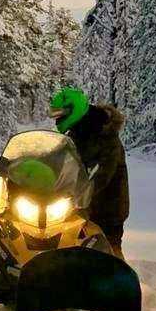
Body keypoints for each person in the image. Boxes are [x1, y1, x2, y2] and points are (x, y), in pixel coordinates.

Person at [49, 87, 129, 257]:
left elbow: (101, 174)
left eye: (60, 115)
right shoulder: (76, 133)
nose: (57, 120)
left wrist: (78, 192)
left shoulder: (106, 136)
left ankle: (122, 281)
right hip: (80, 207)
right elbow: (55, 158)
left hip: (107, 209)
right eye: (55, 115)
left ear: (74, 110)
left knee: (109, 255)